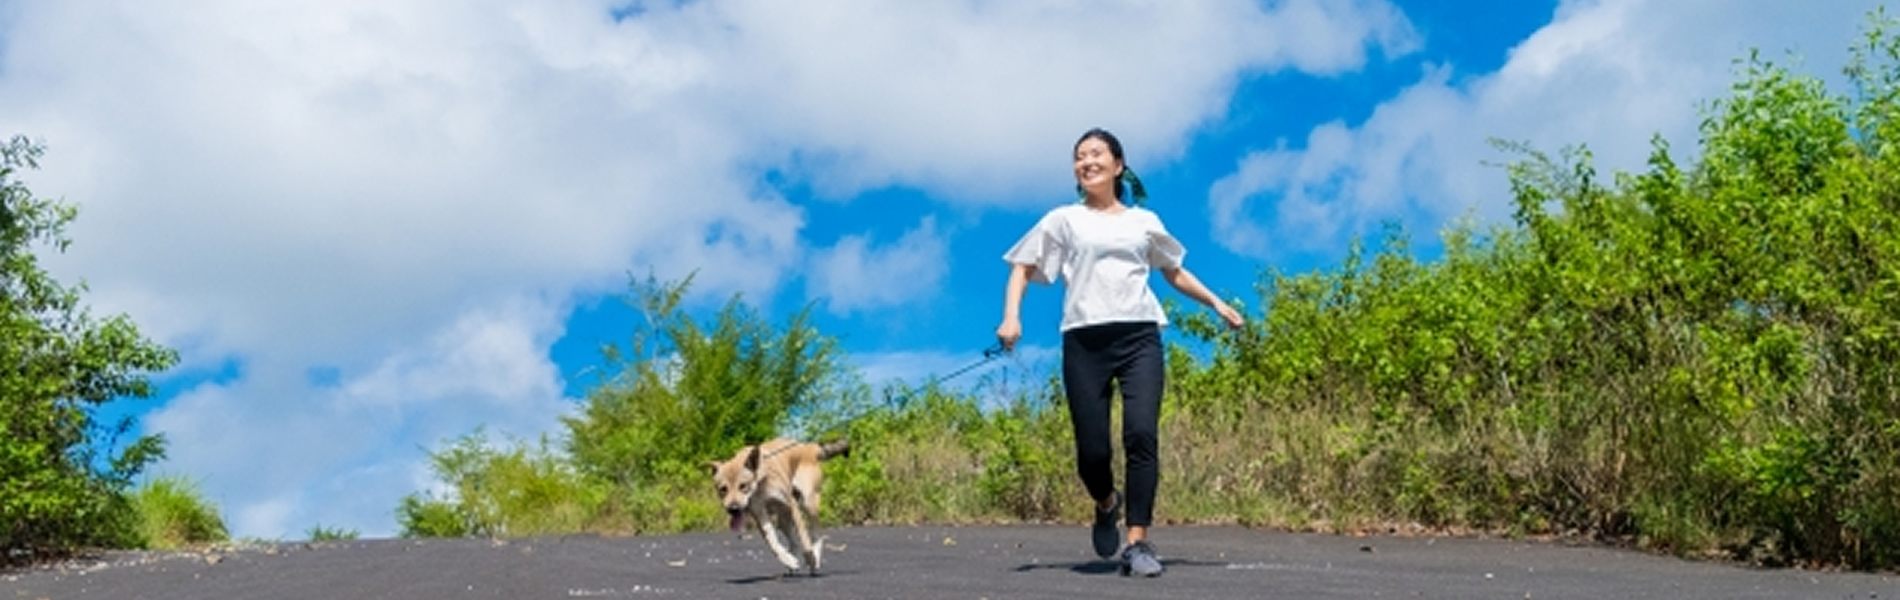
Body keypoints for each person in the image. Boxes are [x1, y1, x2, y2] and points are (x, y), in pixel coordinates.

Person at [996, 127, 1245, 577]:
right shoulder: (1063, 219)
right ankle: (1106, 502)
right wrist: (1012, 317)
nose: (1086, 161)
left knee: (1141, 436)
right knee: (1092, 455)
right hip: (1085, 340)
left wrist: (1216, 302)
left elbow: (1173, 272)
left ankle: (1138, 542)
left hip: (1139, 338)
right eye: (1079, 156)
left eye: (1096, 154)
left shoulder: (1143, 222)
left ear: (1118, 166)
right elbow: (1021, 267)